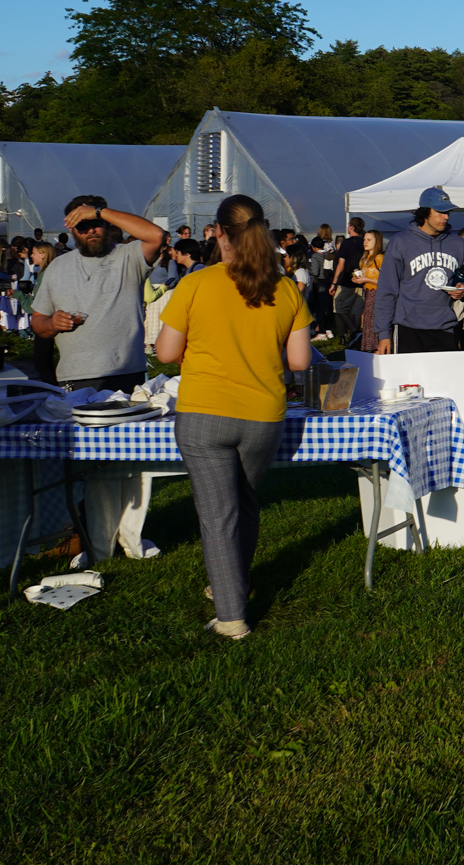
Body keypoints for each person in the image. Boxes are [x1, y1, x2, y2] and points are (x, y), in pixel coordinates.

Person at [154, 195, 313, 641]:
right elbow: (299, 362)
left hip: (205, 412)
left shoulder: (196, 284)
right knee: (244, 502)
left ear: (218, 233)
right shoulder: (284, 289)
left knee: (218, 514)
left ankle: (231, 617)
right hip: (264, 414)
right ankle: (231, 583)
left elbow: (165, 353)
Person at [30, 194, 167, 390]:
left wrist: (99, 211)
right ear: (71, 229)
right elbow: (37, 321)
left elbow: (157, 236)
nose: (91, 230)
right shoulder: (57, 267)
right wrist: (52, 324)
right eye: (82, 226)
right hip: (74, 376)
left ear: (108, 223)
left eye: (96, 223)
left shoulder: (129, 255)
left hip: (125, 373)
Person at [371, 186, 464, 355]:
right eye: (439, 211)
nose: (445, 217)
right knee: (409, 381)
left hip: (444, 327)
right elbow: (387, 290)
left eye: (448, 212)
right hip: (408, 328)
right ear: (425, 213)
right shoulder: (401, 242)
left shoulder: (457, 244)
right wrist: (383, 333)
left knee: (443, 380)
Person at [330, 216, 367, 336]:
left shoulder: (346, 243)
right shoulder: (365, 242)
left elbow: (341, 265)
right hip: (362, 279)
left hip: (347, 279)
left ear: (351, 227)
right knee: (356, 310)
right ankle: (355, 337)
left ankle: (354, 331)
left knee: (339, 307)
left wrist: (334, 283)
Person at [354, 233, 385, 352]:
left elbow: (385, 280)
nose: (365, 242)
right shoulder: (365, 259)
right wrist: (359, 279)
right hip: (367, 293)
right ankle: (369, 347)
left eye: (369, 240)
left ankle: (376, 347)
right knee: (367, 320)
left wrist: (366, 279)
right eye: (364, 240)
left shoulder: (379, 258)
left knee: (373, 320)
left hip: (377, 294)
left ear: (376, 242)